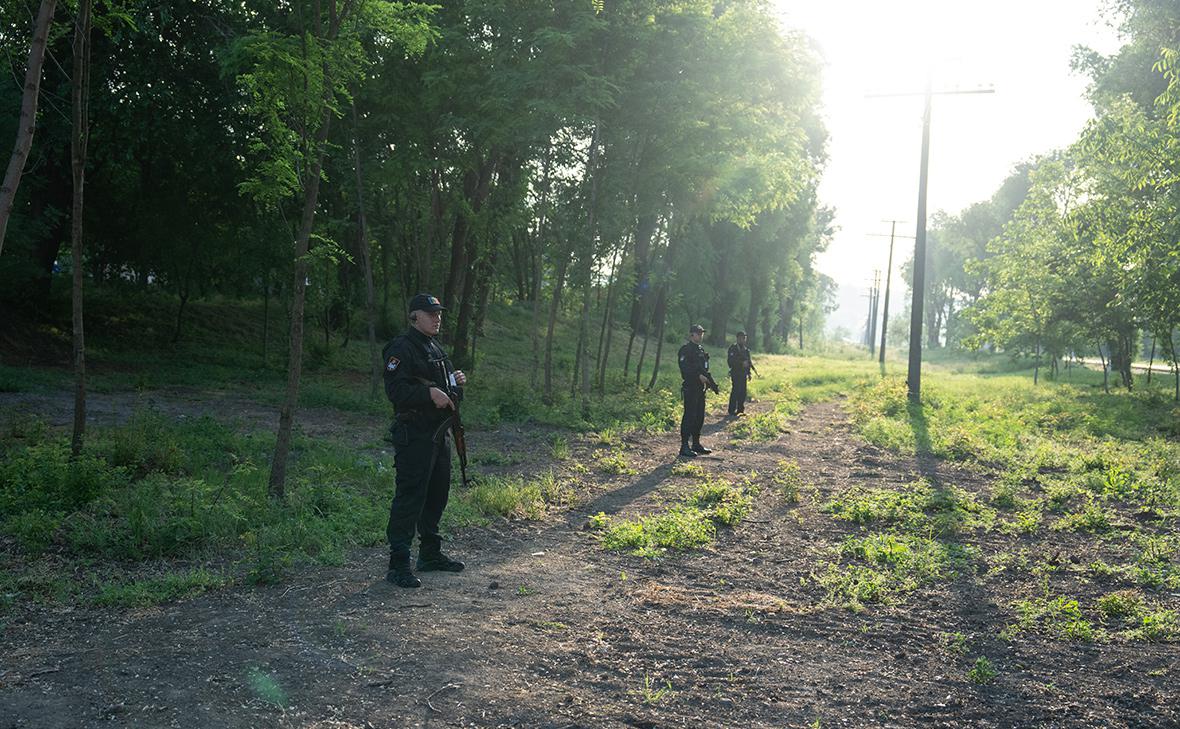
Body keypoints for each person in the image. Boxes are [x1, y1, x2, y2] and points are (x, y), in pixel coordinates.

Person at [382, 293, 468, 588]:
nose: (437, 318)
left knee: (436, 495)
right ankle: (398, 563)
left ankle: (430, 554)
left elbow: (451, 395)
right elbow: (396, 392)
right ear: (414, 316)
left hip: (439, 433)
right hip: (414, 434)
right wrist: (428, 394)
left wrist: (456, 382)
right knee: (410, 497)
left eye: (439, 313)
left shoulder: (436, 348)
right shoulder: (401, 348)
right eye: (430, 313)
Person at [677, 324, 715, 458]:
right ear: (691, 334)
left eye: (701, 333)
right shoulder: (685, 350)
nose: (700, 335)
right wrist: (698, 376)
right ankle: (684, 446)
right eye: (698, 333)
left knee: (699, 417)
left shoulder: (700, 349)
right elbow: (685, 369)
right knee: (689, 416)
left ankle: (696, 443)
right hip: (690, 387)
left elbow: (704, 368)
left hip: (700, 389)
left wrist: (709, 381)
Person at [727, 330, 755, 416]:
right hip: (736, 373)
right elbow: (730, 362)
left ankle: (740, 409)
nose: (743, 340)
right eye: (741, 338)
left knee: (743, 392)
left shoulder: (746, 350)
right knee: (735, 391)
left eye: (744, 338)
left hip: (743, 374)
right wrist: (741, 363)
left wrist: (749, 373)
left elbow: (748, 362)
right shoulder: (733, 349)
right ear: (737, 338)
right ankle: (731, 410)